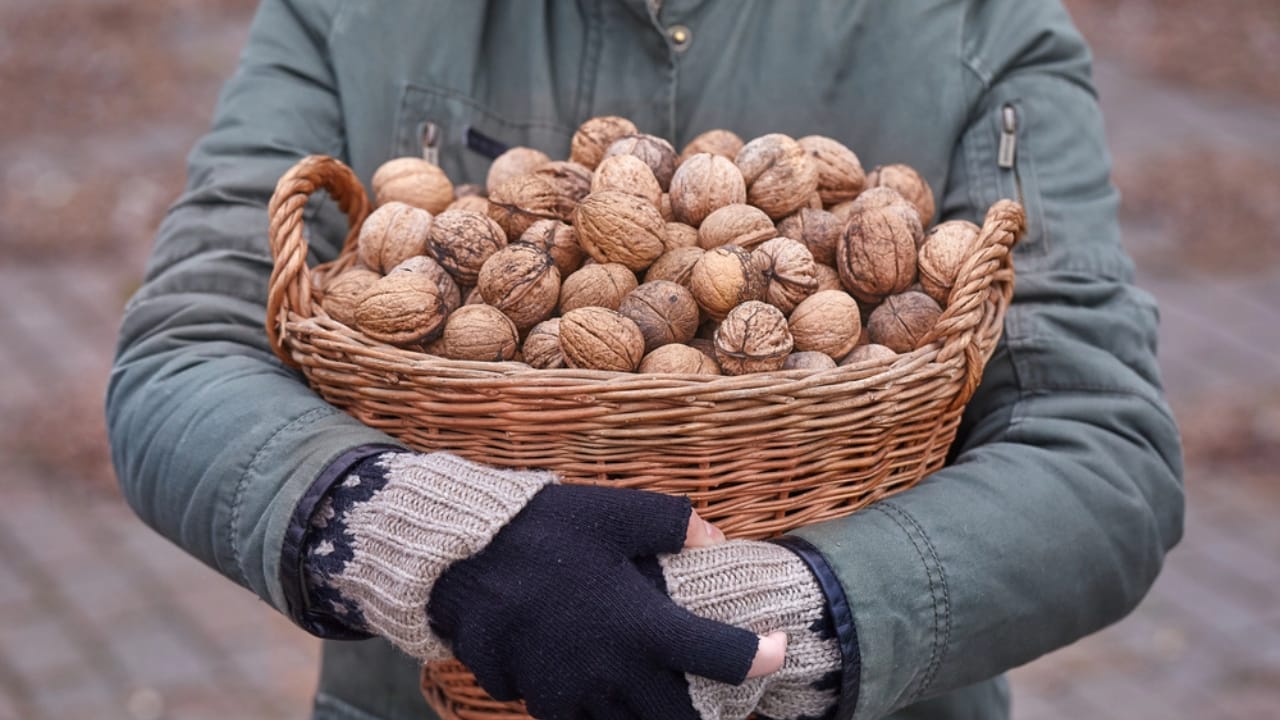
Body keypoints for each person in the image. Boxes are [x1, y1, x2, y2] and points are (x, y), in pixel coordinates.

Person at [105, 1, 1185, 719]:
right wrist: (413, 531)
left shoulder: (978, 22)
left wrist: (810, 611)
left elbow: (1100, 447)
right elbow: (183, 348)